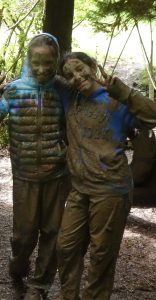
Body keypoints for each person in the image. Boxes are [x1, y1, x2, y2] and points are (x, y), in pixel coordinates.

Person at [0, 33, 70, 300]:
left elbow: (76, 123)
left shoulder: (63, 89)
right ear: (29, 58)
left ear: (56, 60)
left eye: (48, 62)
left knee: (52, 233)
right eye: (36, 61)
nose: (41, 68)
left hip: (56, 175)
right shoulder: (13, 91)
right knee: (24, 235)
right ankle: (18, 263)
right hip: (24, 176)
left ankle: (38, 286)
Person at [56, 51, 156, 300]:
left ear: (93, 66)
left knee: (102, 254)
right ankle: (69, 296)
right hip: (80, 188)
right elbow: (42, 74)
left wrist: (122, 91)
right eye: (70, 74)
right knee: (66, 247)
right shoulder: (70, 99)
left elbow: (153, 116)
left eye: (80, 69)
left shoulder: (117, 100)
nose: (77, 77)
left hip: (111, 189)